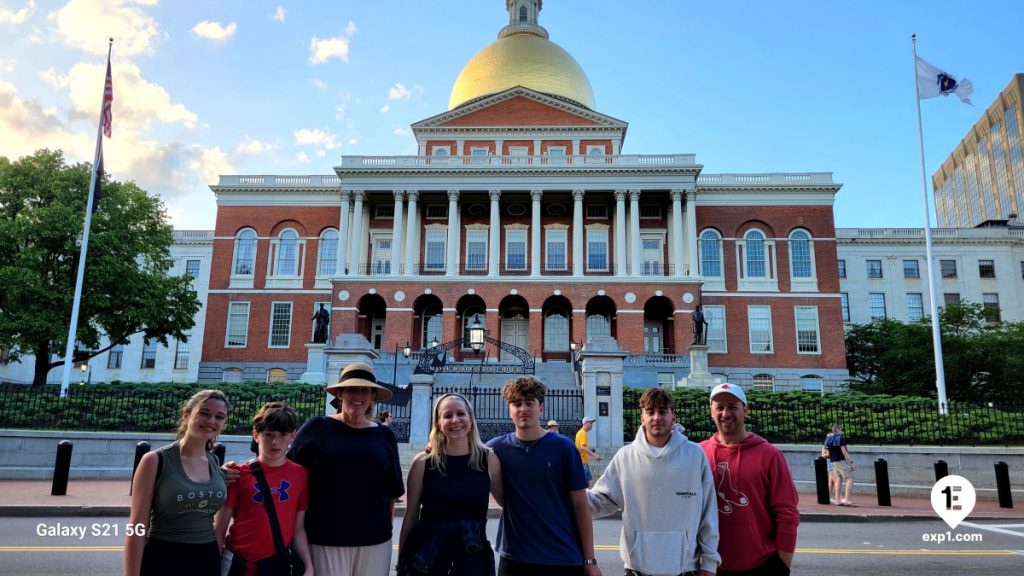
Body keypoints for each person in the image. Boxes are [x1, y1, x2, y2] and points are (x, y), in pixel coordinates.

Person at [287, 362, 404, 575]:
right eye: (351, 389)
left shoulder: (384, 436)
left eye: (364, 390)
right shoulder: (316, 429)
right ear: (340, 394)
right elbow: (286, 472)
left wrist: (383, 529)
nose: (357, 395)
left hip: (375, 541)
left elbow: (391, 491)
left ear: (372, 396)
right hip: (325, 539)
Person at [588, 387, 720, 576]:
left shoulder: (694, 454)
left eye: (663, 411)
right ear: (642, 417)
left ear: (673, 417)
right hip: (638, 570)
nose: (656, 417)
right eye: (650, 412)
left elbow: (708, 511)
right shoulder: (626, 456)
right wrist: (562, 494)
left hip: (685, 570)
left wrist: (709, 562)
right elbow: (601, 501)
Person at [486, 377, 602, 576]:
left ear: (541, 408)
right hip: (515, 557)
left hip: (561, 557)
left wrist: (589, 560)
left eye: (529, 403)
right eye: (517, 404)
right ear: (509, 409)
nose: (523, 409)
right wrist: (433, 447)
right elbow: (460, 452)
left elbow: (581, 505)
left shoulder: (564, 448)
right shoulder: (495, 449)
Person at [124, 390, 229, 576]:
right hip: (163, 558)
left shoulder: (214, 462)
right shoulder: (155, 460)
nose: (212, 421)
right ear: (186, 415)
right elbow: (137, 526)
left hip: (207, 558)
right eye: (204, 413)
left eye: (219, 417)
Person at [398, 393, 503, 576]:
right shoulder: (423, 462)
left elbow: (507, 502)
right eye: (447, 416)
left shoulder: (489, 459)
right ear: (438, 423)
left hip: (472, 558)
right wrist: (401, 561)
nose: (455, 420)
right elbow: (411, 515)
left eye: (461, 414)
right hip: (427, 558)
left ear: (470, 419)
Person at [700, 383, 799, 576]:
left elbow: (787, 512)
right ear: (711, 412)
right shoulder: (699, 453)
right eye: (719, 407)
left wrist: (783, 564)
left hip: (761, 564)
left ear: (745, 411)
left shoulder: (769, 455)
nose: (725, 413)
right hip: (709, 566)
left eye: (732, 407)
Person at [215, 402, 313, 576]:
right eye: (268, 434)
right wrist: (213, 563)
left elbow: (298, 528)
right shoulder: (237, 473)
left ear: (293, 436)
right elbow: (220, 526)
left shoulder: (301, 475)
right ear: (256, 435)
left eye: (282, 435)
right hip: (238, 563)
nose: (275, 442)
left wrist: (308, 565)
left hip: (277, 564)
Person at [825, 424, 856, 506]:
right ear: (838, 430)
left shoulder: (828, 438)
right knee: (850, 478)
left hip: (833, 461)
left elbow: (827, 452)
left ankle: (837, 500)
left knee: (838, 479)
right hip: (840, 461)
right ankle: (846, 499)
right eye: (841, 430)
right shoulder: (840, 438)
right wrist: (851, 462)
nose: (841, 431)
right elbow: (844, 452)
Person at [575, 416, 602, 487]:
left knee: (589, 481)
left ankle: (586, 497)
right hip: (582, 462)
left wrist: (590, 450)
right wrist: (594, 455)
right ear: (585, 423)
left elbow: (582, 447)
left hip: (583, 462)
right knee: (586, 483)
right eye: (590, 423)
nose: (591, 425)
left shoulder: (580, 433)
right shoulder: (582, 433)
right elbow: (583, 447)